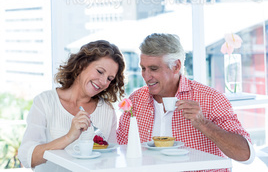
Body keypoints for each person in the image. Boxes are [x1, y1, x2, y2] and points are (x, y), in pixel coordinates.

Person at [116, 33, 254, 171]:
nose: (146, 76)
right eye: (143, 68)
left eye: (153, 69)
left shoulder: (211, 99)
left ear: (176, 66)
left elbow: (246, 155)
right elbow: (120, 153)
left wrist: (203, 123)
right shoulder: (135, 101)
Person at [19, 40, 125, 171]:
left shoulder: (107, 110)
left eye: (110, 78)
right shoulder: (45, 102)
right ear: (82, 65)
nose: (103, 82)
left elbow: (111, 160)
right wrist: (70, 137)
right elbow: (27, 157)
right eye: (99, 71)